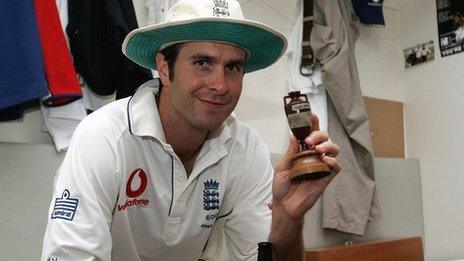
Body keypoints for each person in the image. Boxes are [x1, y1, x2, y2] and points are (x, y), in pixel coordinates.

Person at [41, 0, 341, 260]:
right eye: (202, 63)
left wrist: (287, 218)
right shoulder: (103, 138)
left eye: (233, 68)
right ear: (163, 67)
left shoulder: (245, 148)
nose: (220, 85)